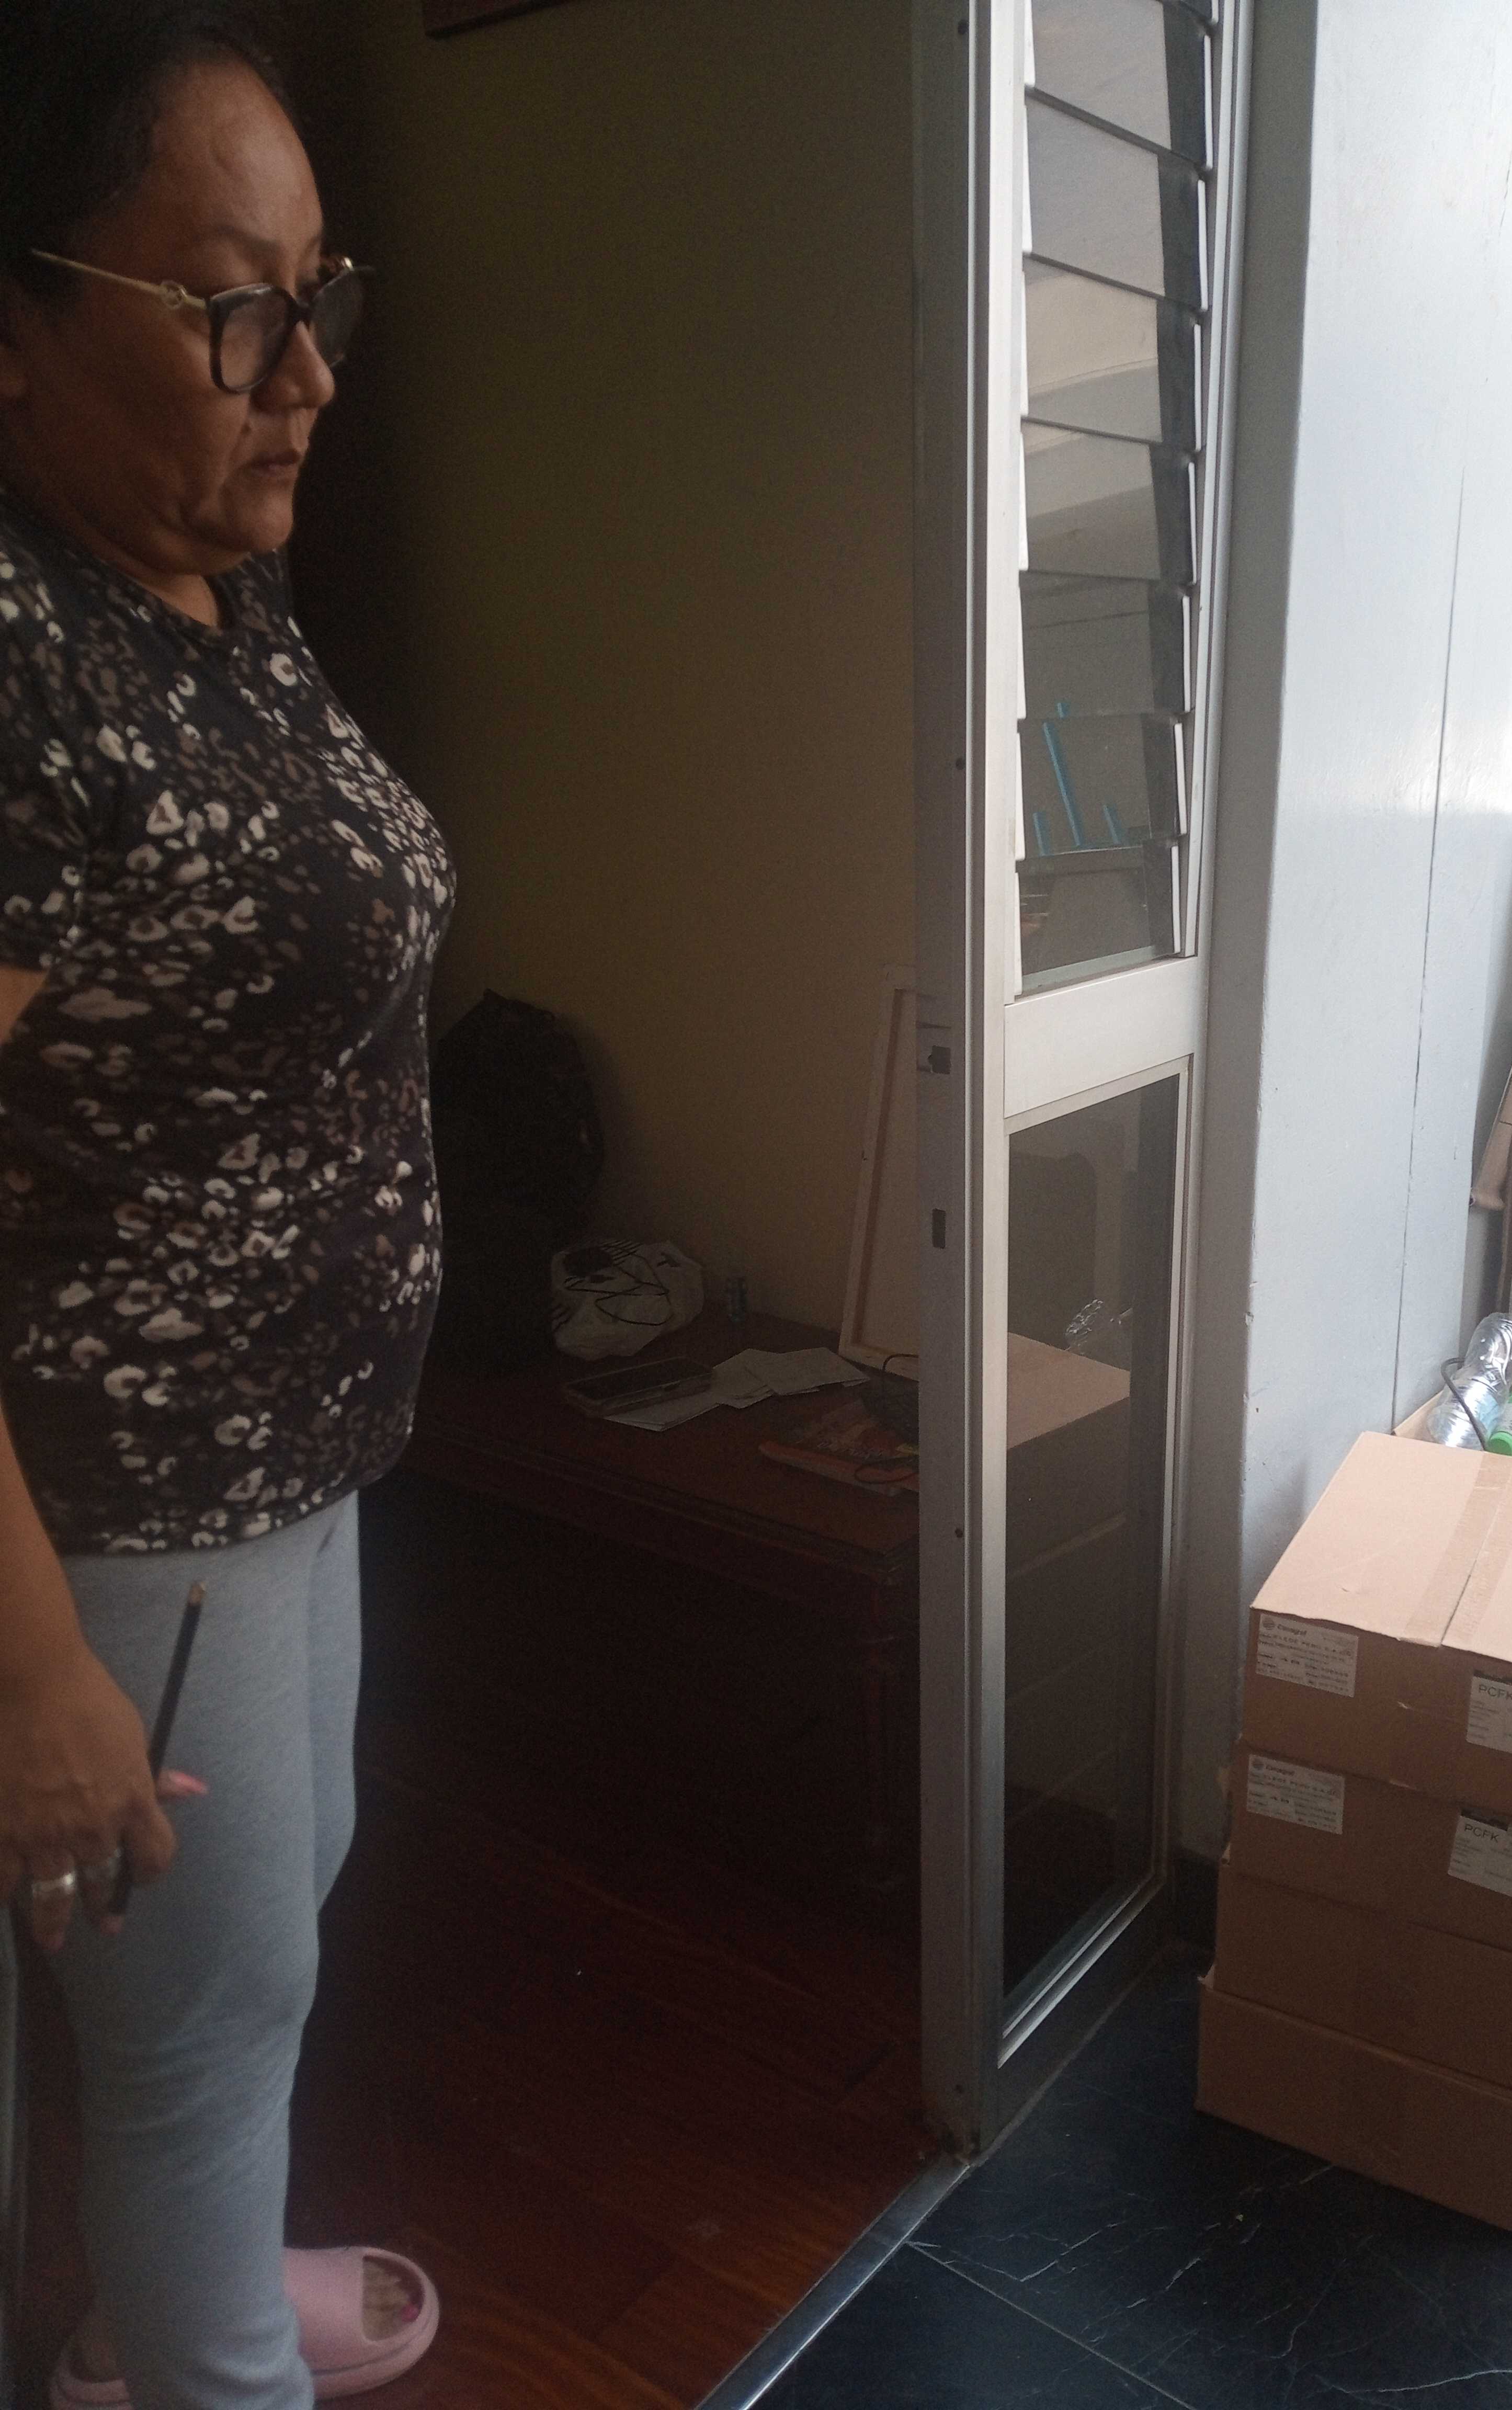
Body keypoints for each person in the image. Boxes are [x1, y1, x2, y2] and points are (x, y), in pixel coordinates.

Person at [0, 4, 451, 2401]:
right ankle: (188, 2358)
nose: (309, 377)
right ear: (19, 329)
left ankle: (141, 2323)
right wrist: (32, 1674)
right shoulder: (18, 662)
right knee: (194, 2040)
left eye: (319, 297)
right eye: (233, 311)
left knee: (257, 1967)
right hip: (130, 1524)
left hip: (286, 1465)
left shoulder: (206, 584)